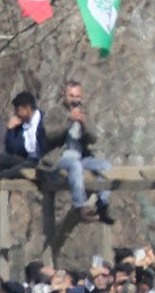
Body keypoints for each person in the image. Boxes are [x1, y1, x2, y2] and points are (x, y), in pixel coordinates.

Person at [48, 80, 114, 224]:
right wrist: (69, 121)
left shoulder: (84, 112)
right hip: (60, 158)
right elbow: (49, 136)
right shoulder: (55, 112)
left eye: (77, 96)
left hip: (81, 157)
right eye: (71, 96)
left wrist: (85, 126)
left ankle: (102, 203)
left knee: (105, 166)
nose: (74, 100)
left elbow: (93, 139)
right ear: (65, 95)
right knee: (75, 165)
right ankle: (81, 207)